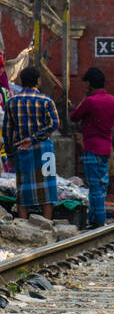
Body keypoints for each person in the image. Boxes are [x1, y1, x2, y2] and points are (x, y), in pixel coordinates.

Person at [2, 65, 60, 221]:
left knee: (24, 189)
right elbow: (54, 124)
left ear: (20, 81)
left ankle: (23, 224)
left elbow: (7, 132)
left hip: (22, 150)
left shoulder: (11, 102)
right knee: (47, 190)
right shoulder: (46, 101)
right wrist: (35, 138)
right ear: (38, 81)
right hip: (44, 150)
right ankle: (47, 224)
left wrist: (10, 155)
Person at [69, 67, 114, 229]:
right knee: (102, 184)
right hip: (106, 148)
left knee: (94, 186)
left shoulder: (90, 101)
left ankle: (99, 220)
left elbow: (74, 116)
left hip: (91, 147)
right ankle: (94, 217)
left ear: (90, 84)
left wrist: (84, 99)